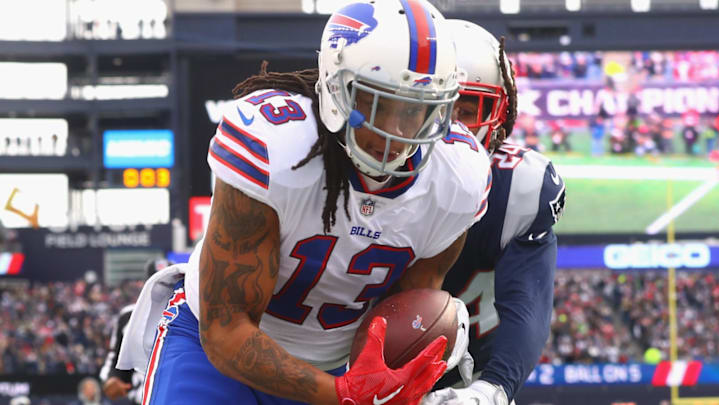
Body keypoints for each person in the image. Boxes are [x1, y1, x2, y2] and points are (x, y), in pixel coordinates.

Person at [118, 1, 491, 404]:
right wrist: (340, 395)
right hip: (208, 354)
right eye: (380, 104)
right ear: (338, 88)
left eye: (417, 110)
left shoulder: (458, 177)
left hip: (332, 366)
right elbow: (226, 329)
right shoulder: (276, 148)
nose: (398, 131)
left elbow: (408, 308)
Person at [423, 20, 566, 405]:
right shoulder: (351, 180)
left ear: (499, 117)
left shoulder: (519, 187)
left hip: (473, 372)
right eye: (429, 107)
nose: (445, 129)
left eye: (464, 110)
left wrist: (492, 390)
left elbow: (526, 303)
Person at [99, 259, 173, 404]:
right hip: (140, 397)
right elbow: (116, 356)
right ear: (147, 284)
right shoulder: (129, 315)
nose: (163, 289)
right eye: (157, 282)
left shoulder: (191, 312)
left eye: (168, 282)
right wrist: (111, 379)